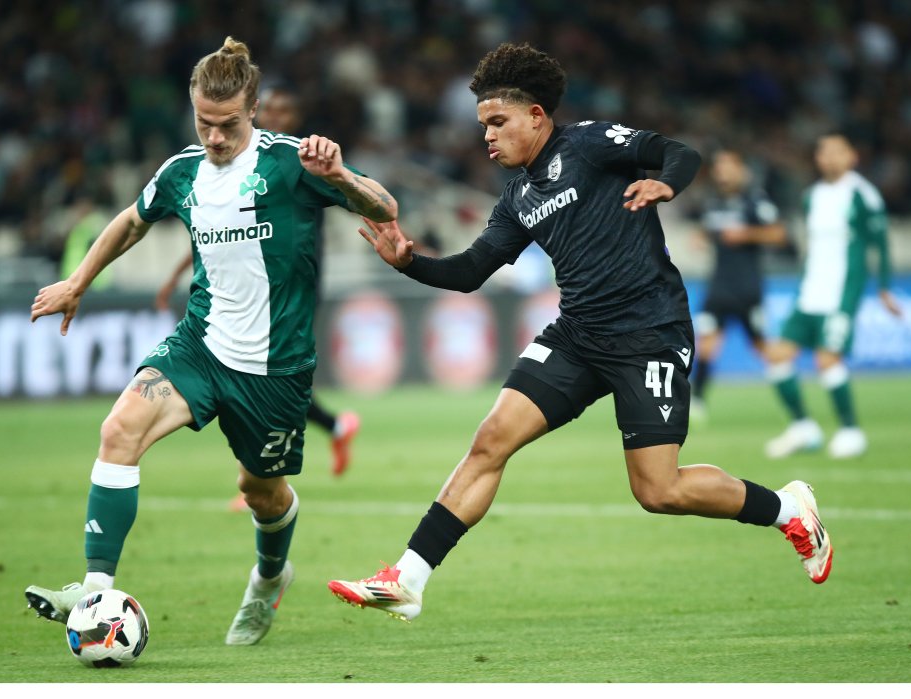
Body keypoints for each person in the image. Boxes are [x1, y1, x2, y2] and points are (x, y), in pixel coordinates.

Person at [327, 43, 833, 623]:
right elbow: (469, 272)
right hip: (578, 335)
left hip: (649, 333)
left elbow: (678, 152)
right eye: (483, 125)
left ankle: (788, 509)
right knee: (490, 441)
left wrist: (666, 185)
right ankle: (408, 579)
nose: (487, 136)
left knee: (658, 491)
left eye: (498, 122)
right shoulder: (518, 198)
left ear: (536, 115)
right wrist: (408, 263)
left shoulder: (589, 143)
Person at [24, 37, 398, 646]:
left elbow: (385, 206)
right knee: (119, 429)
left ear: (253, 110)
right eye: (204, 123)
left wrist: (341, 175)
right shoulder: (182, 171)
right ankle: (93, 592)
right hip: (199, 346)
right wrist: (77, 282)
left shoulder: (292, 163)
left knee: (261, 492)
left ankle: (269, 578)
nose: (215, 137)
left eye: (227, 125)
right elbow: (132, 220)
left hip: (276, 369)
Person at [154, 84, 361, 495]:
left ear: (296, 118)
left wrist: (389, 228)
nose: (277, 117)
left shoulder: (301, 161)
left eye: (286, 111)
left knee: (264, 373)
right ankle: (324, 434)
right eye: (273, 110)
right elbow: (216, 232)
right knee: (250, 372)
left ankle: (262, 475)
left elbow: (355, 198)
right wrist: (177, 273)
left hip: (290, 290)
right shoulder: (247, 162)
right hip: (249, 286)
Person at [763, 133, 901, 459]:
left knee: (827, 359)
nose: (829, 157)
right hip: (809, 290)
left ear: (852, 157)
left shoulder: (862, 194)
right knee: (778, 356)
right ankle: (803, 428)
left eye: (837, 151)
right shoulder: (812, 196)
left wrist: (884, 288)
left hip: (841, 292)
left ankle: (851, 431)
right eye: (823, 152)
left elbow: (880, 243)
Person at [690, 150, 787, 419]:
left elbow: (779, 234)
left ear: (741, 170)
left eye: (727, 166)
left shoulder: (755, 200)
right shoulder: (713, 203)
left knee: (762, 346)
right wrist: (700, 237)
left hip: (747, 288)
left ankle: (791, 396)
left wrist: (747, 234)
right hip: (719, 286)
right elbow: (707, 230)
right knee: (707, 342)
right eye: (718, 167)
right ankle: (697, 401)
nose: (722, 172)